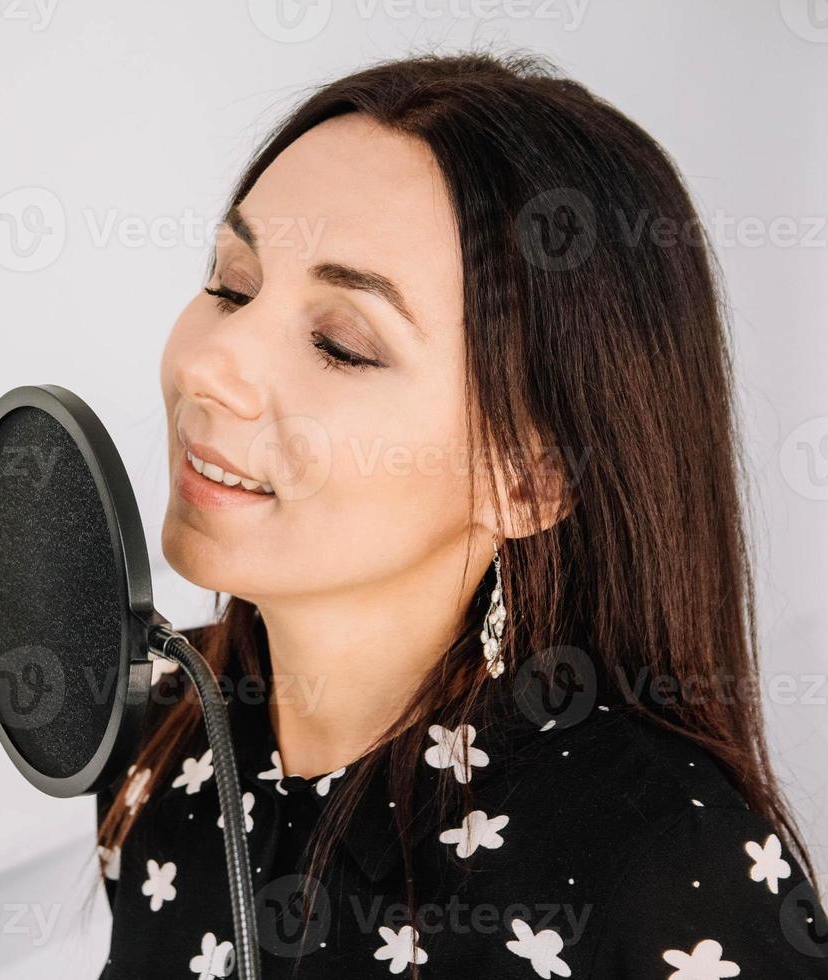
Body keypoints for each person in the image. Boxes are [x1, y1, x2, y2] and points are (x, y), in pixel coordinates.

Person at [92, 51, 828, 979]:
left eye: (342, 344)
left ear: (526, 476)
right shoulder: (163, 735)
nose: (210, 364)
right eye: (232, 285)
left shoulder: (666, 873)